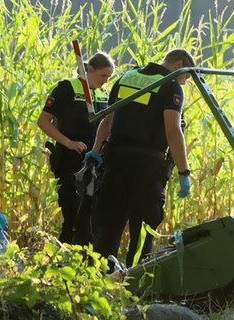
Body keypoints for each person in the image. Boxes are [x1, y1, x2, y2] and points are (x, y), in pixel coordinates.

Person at [86, 48, 195, 269]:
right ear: (178, 65)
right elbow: (173, 131)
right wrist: (184, 172)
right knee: (143, 228)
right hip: (147, 166)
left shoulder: (127, 77)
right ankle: (133, 283)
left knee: (108, 224)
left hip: (114, 160)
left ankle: (99, 279)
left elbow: (107, 120)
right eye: (186, 77)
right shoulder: (170, 84)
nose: (184, 82)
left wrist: (96, 151)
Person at [38, 51, 115, 243]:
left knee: (90, 218)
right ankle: (65, 257)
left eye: (109, 77)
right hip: (70, 160)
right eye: (103, 75)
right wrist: (68, 143)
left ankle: (84, 260)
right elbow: (43, 121)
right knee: (73, 214)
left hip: (94, 161)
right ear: (89, 70)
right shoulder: (67, 88)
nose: (105, 81)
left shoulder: (102, 93)